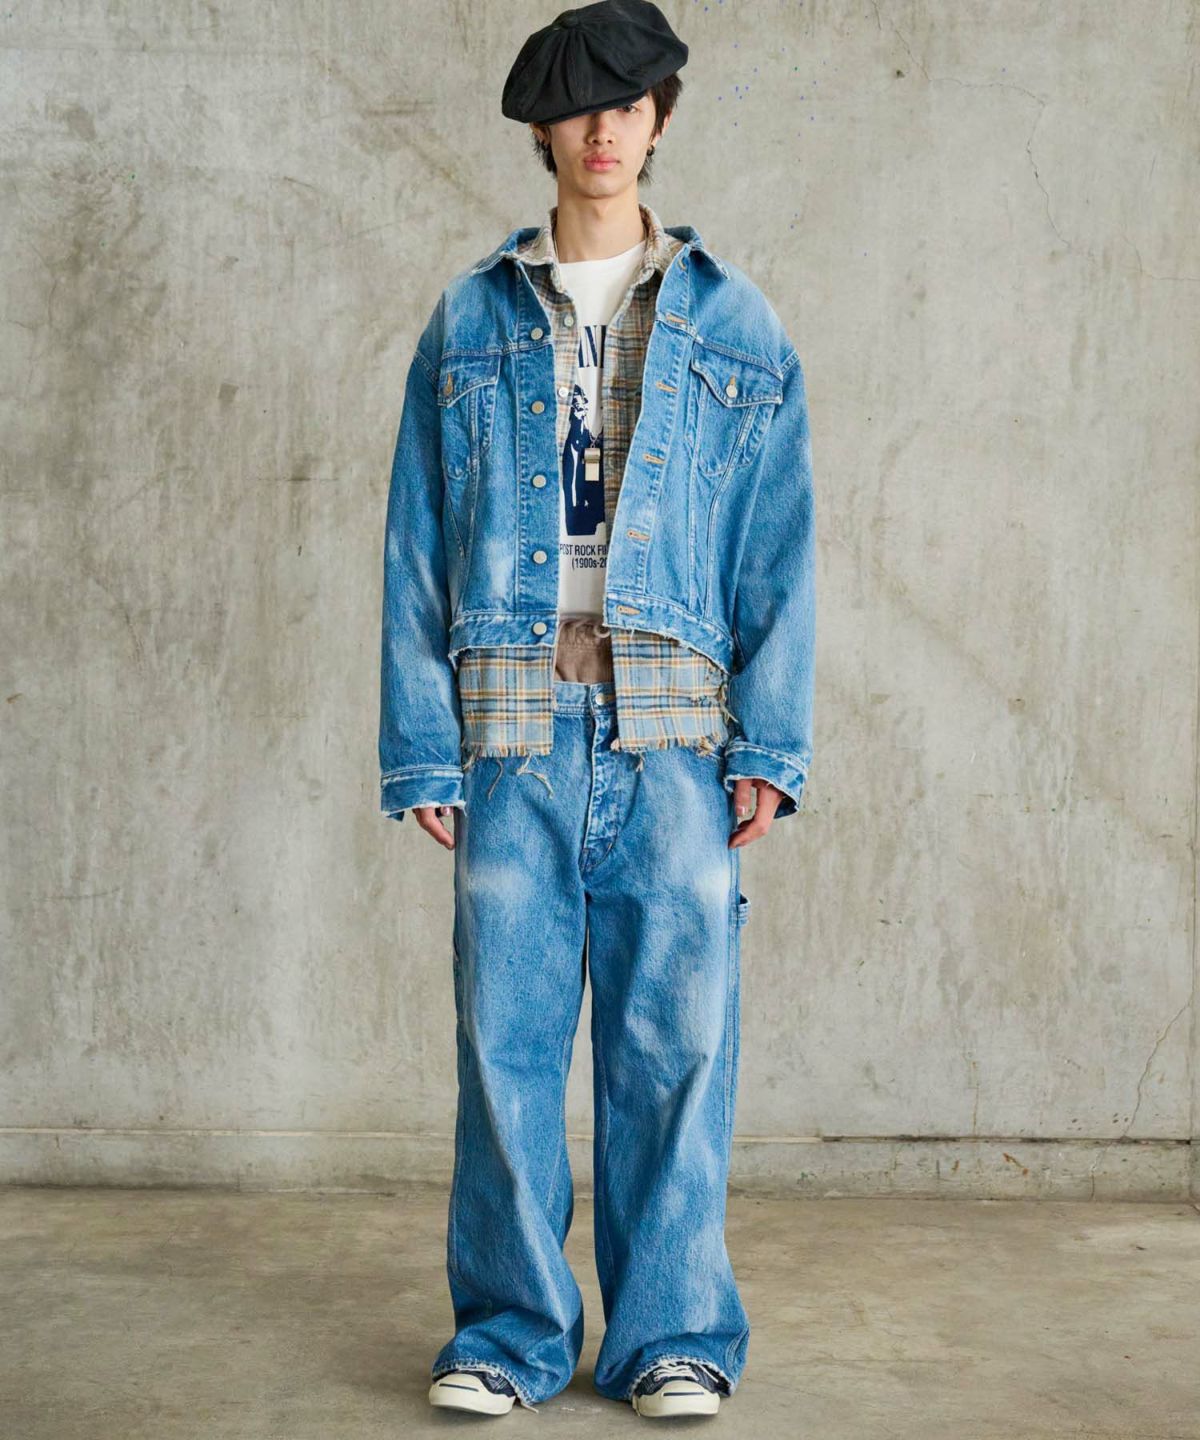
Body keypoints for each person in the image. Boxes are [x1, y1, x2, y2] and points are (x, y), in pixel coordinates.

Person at [378, 0, 816, 1419]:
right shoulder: (470, 320)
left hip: (673, 732)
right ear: (542, 132)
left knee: (674, 1049)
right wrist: (421, 746)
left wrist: (771, 743)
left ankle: (672, 1337)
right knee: (504, 1050)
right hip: (511, 723)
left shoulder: (731, 322)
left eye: (628, 105)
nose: (603, 131)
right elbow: (414, 544)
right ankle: (507, 1337)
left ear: (659, 120)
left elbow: (778, 547)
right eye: (578, 108)